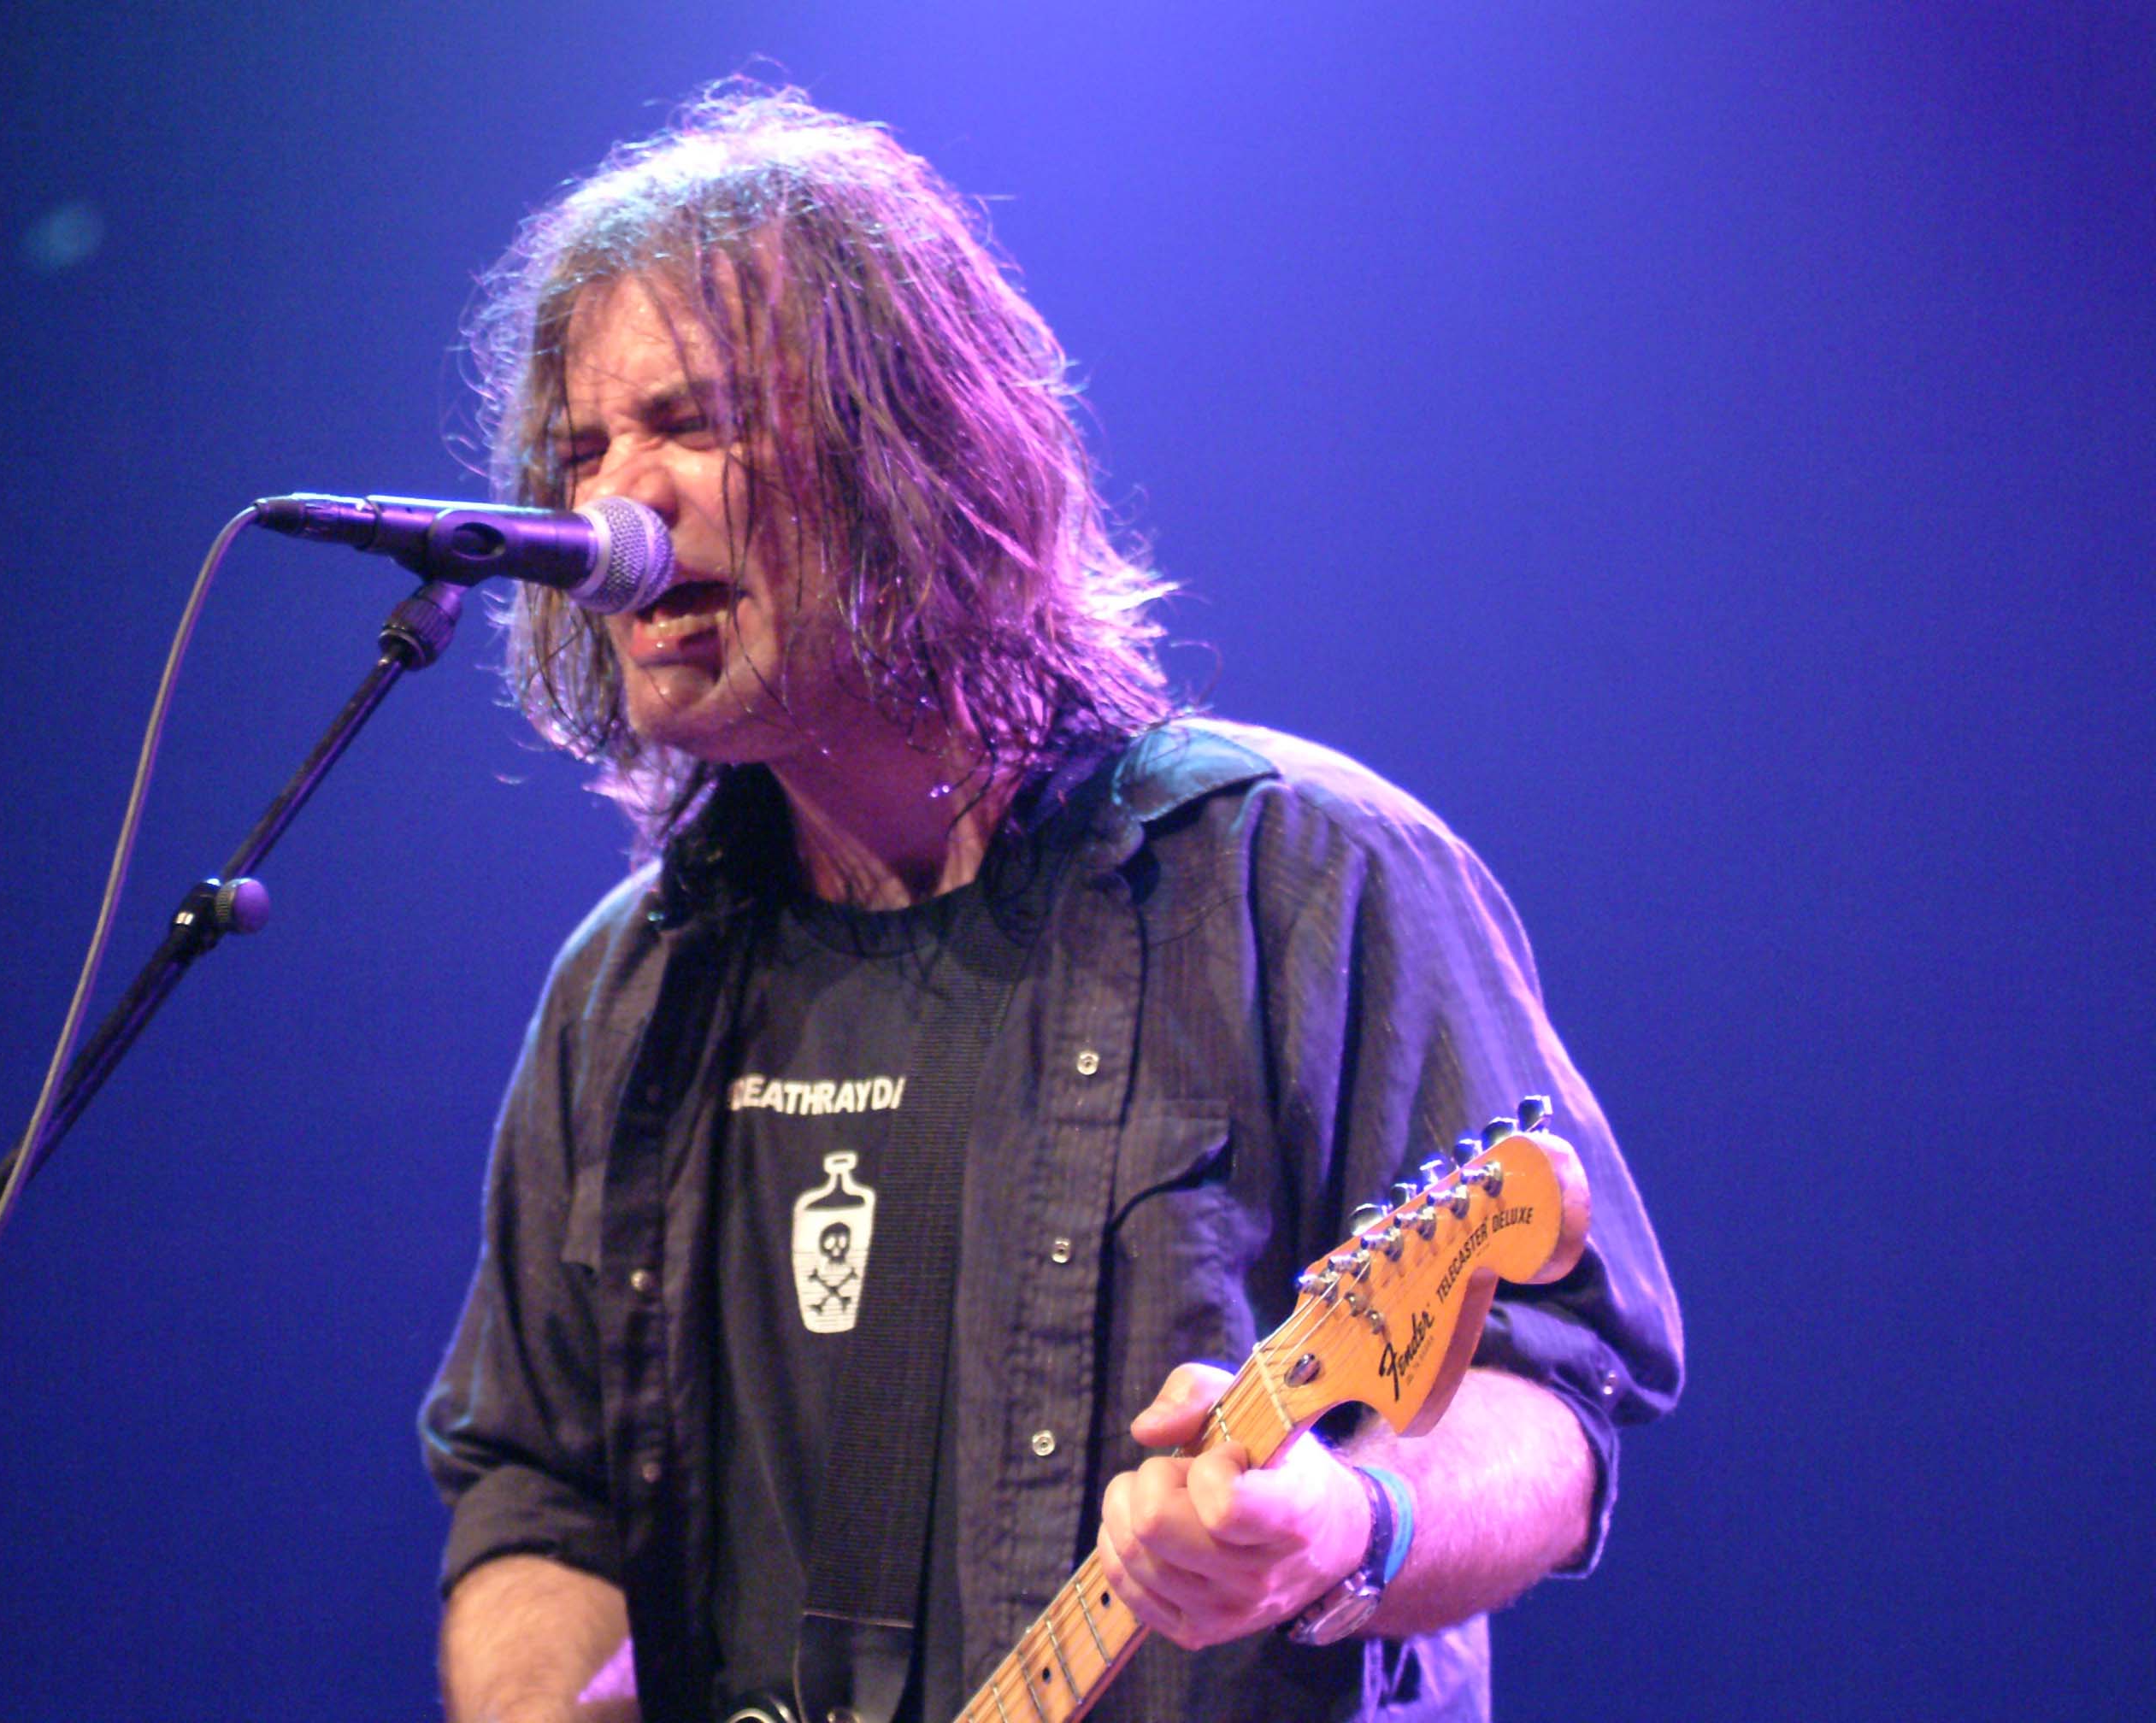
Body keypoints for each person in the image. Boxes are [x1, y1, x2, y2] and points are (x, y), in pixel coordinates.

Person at [421, 85, 1682, 1723]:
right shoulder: (627, 989)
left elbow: (1556, 1395)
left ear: (909, 454)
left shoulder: (1295, 874)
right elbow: (534, 1489)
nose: (615, 508)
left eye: (692, 423)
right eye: (583, 451)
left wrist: (1348, 1527)